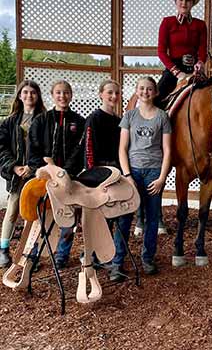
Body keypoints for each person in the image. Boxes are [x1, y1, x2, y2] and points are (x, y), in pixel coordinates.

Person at [28, 79, 85, 269]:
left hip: (69, 179)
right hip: (44, 178)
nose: (63, 96)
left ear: (71, 95)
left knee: (68, 218)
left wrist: (65, 173)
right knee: (40, 218)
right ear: (52, 95)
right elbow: (33, 150)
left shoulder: (79, 121)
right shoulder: (41, 120)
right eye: (59, 92)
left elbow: (79, 150)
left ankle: (62, 255)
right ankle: (34, 254)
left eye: (66, 92)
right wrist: (47, 171)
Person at [119, 76, 171, 275]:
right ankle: (118, 261)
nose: (145, 92)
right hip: (132, 173)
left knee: (152, 218)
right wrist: (127, 175)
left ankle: (147, 258)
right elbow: (122, 149)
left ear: (155, 92)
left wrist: (161, 178)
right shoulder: (129, 116)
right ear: (136, 91)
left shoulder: (162, 117)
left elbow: (167, 150)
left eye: (149, 89)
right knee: (124, 218)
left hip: (153, 173)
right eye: (141, 88)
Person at [83, 79, 133, 282]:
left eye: (117, 93)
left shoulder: (120, 121)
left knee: (124, 215)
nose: (114, 96)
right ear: (101, 94)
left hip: (118, 174)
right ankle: (96, 256)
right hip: (100, 177)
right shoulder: (94, 119)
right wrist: (95, 181)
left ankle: (116, 261)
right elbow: (88, 150)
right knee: (102, 219)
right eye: (110, 92)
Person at [0, 80, 46, 268]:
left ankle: (32, 251)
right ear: (19, 95)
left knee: (36, 213)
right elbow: (1, 147)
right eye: (25, 92)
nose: (29, 96)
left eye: (33, 92)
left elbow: (49, 147)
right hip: (17, 175)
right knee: (12, 210)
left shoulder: (44, 119)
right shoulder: (10, 121)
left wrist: (33, 167)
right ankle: (3, 249)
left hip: (37, 174)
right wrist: (14, 166)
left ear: (38, 95)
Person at [157, 0, 207, 104]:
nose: (184, 3)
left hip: (194, 69)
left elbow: (202, 50)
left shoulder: (200, 25)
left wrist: (200, 63)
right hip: (174, 69)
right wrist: (177, 73)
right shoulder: (167, 22)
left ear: (192, 3)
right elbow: (161, 52)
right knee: (156, 98)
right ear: (176, 1)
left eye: (188, 0)